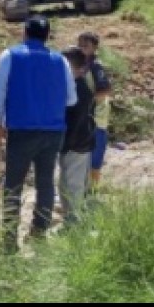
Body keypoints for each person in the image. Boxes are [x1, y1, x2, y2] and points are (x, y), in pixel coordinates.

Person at [0, 14, 77, 253]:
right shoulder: (61, 61)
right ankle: (39, 232)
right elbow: (71, 99)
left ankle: (9, 241)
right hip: (53, 132)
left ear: (25, 33)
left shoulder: (10, 56)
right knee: (45, 183)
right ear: (48, 36)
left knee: (13, 185)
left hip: (21, 131)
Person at [58, 46, 96, 226]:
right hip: (73, 143)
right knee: (66, 183)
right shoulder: (73, 86)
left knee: (73, 185)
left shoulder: (79, 89)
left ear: (80, 69)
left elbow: (78, 122)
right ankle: (71, 219)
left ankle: (74, 223)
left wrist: (66, 144)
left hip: (77, 144)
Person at [77, 31, 112, 189]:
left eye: (86, 46)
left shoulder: (96, 67)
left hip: (96, 118)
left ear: (94, 48)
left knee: (95, 156)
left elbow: (105, 90)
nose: (82, 48)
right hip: (84, 118)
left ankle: (92, 189)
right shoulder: (81, 66)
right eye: (80, 45)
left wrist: (87, 101)